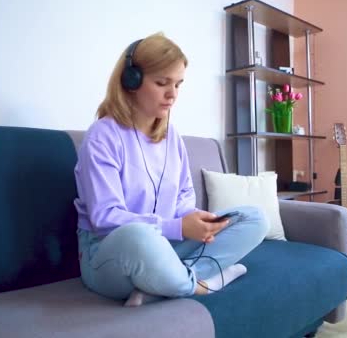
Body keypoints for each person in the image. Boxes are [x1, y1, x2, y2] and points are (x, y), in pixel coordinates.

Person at [74, 32, 269, 307]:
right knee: (138, 236)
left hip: (166, 244)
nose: (172, 94)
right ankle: (203, 284)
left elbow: (183, 196)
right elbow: (105, 218)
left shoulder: (171, 137)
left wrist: (195, 219)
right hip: (109, 253)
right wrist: (176, 227)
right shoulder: (102, 136)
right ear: (132, 81)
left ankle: (162, 284)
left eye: (178, 84)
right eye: (162, 83)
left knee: (253, 218)